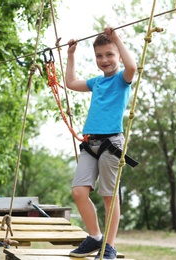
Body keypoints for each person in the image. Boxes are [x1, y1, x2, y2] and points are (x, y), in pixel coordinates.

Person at [66, 27, 137, 260]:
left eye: (109, 54)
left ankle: (109, 245)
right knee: (78, 192)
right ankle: (95, 237)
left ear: (117, 55)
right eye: (99, 56)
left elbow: (132, 67)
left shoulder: (121, 80)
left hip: (111, 143)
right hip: (91, 143)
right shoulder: (96, 82)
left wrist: (116, 38)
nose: (104, 60)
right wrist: (71, 54)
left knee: (109, 196)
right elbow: (70, 82)